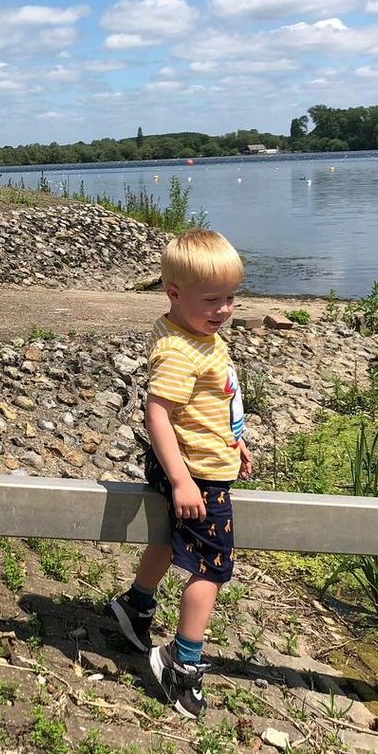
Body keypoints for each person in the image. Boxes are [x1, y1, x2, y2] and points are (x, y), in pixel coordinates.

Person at [106, 229, 252, 719]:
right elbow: (158, 413)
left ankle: (137, 604)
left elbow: (217, 402)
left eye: (231, 297)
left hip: (207, 461)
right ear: (173, 293)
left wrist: (236, 442)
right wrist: (183, 479)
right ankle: (180, 661)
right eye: (212, 299)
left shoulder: (194, 333)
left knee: (169, 539)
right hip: (197, 473)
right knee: (210, 568)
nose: (224, 309)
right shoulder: (179, 351)